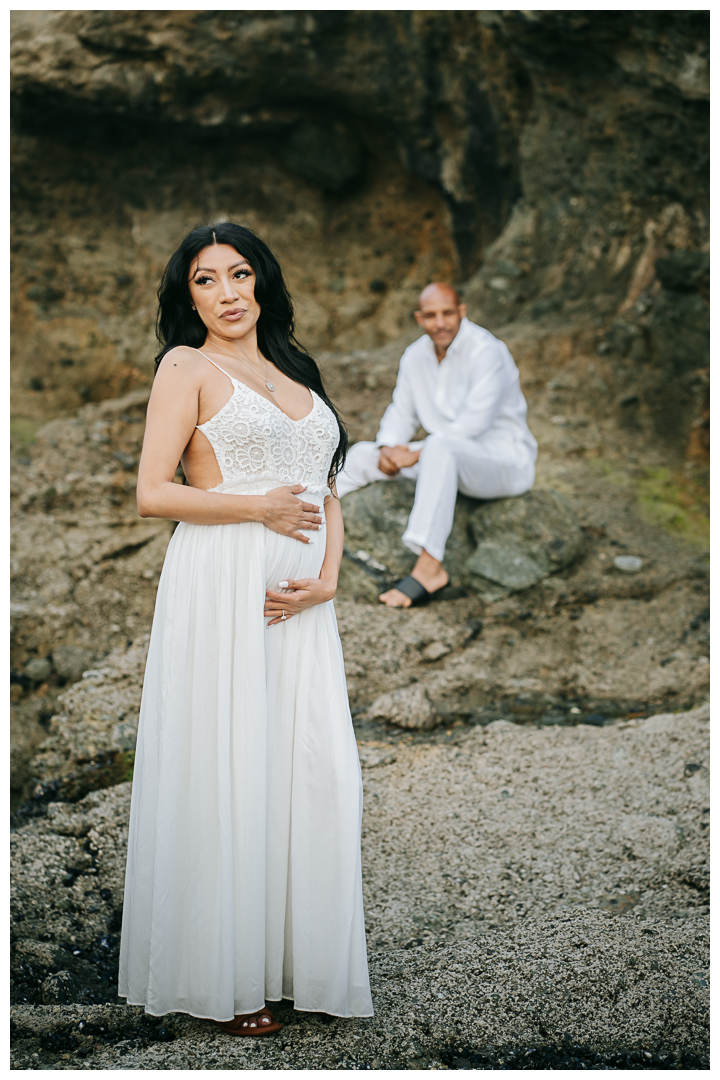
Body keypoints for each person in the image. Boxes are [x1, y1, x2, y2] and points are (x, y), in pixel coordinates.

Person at [118, 223, 373, 1033]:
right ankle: (225, 979)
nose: (226, 294)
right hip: (222, 585)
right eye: (204, 280)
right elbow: (153, 492)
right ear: (186, 294)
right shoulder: (185, 367)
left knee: (307, 772)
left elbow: (328, 487)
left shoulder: (297, 369)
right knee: (227, 770)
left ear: (262, 281)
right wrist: (256, 506)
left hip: (300, 603)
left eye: (238, 274)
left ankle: (299, 961)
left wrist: (328, 580)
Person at [336, 283, 538, 607]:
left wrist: (413, 453)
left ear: (462, 311)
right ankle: (312, 523)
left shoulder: (488, 350)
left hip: (502, 463)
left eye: (447, 313)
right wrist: (389, 448)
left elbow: (474, 424)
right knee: (362, 455)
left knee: (440, 447)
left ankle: (430, 567)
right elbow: (401, 413)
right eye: (431, 316)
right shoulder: (415, 356)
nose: (440, 323)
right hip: (441, 459)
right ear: (419, 318)